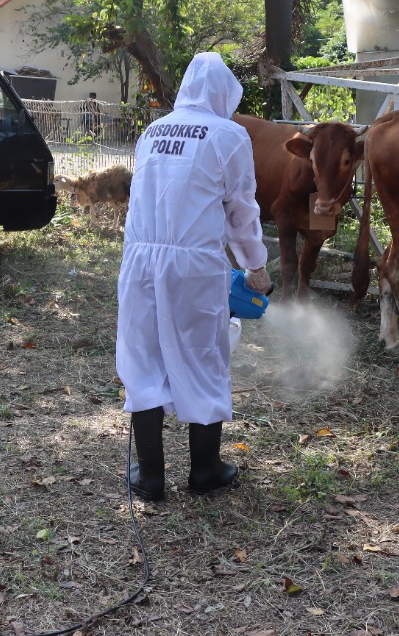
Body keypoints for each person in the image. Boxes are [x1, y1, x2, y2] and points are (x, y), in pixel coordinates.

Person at [115, 52, 271, 502]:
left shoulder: (152, 130)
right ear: (224, 94)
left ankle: (150, 477)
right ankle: (204, 471)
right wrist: (256, 269)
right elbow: (241, 213)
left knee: (143, 359)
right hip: (195, 266)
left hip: (140, 260)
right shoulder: (230, 135)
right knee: (202, 355)